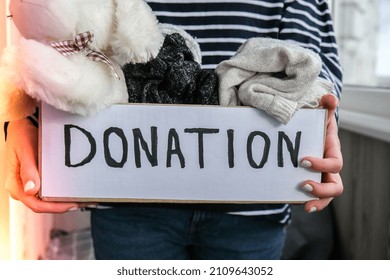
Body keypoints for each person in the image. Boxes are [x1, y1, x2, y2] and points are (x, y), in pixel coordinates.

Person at [3, 0, 343, 260]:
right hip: (126, 193)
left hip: (251, 201)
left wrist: (321, 119)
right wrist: (20, 119)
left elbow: (313, 54)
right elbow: (47, 25)